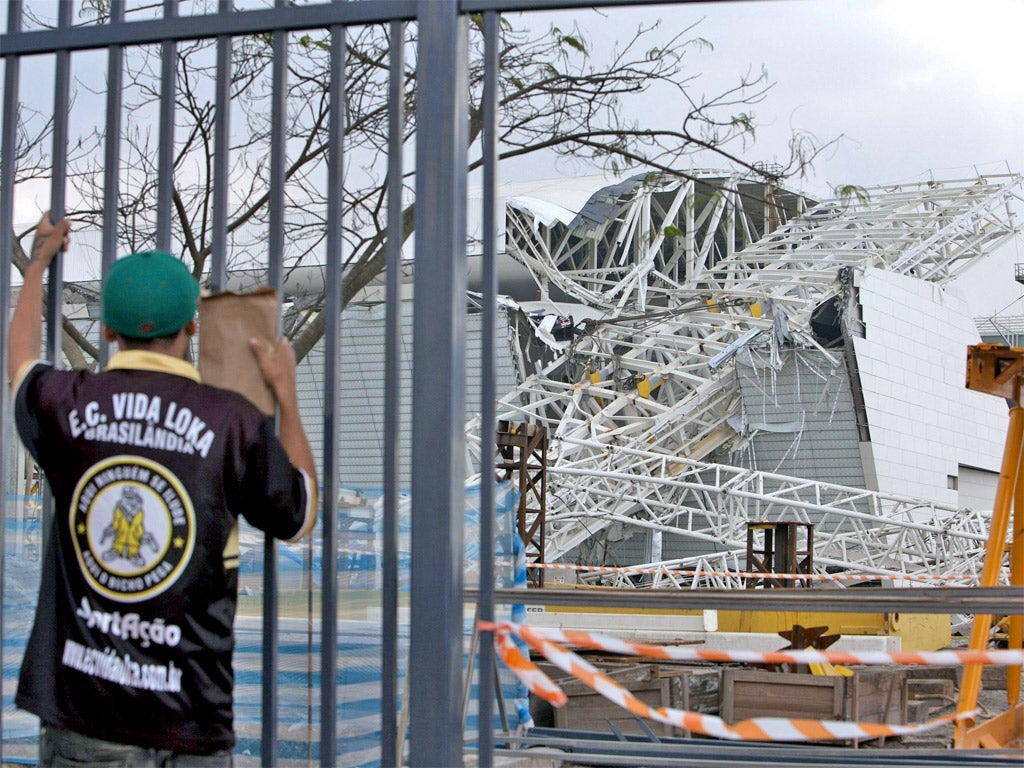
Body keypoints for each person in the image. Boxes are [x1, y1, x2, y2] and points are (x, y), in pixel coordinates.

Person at [8, 213, 318, 767]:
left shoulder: (67, 402)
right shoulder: (232, 420)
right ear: (192, 327)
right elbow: (297, 513)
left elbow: (22, 365)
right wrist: (285, 392)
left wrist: (37, 267)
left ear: (105, 330)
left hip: (86, 713)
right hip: (190, 715)